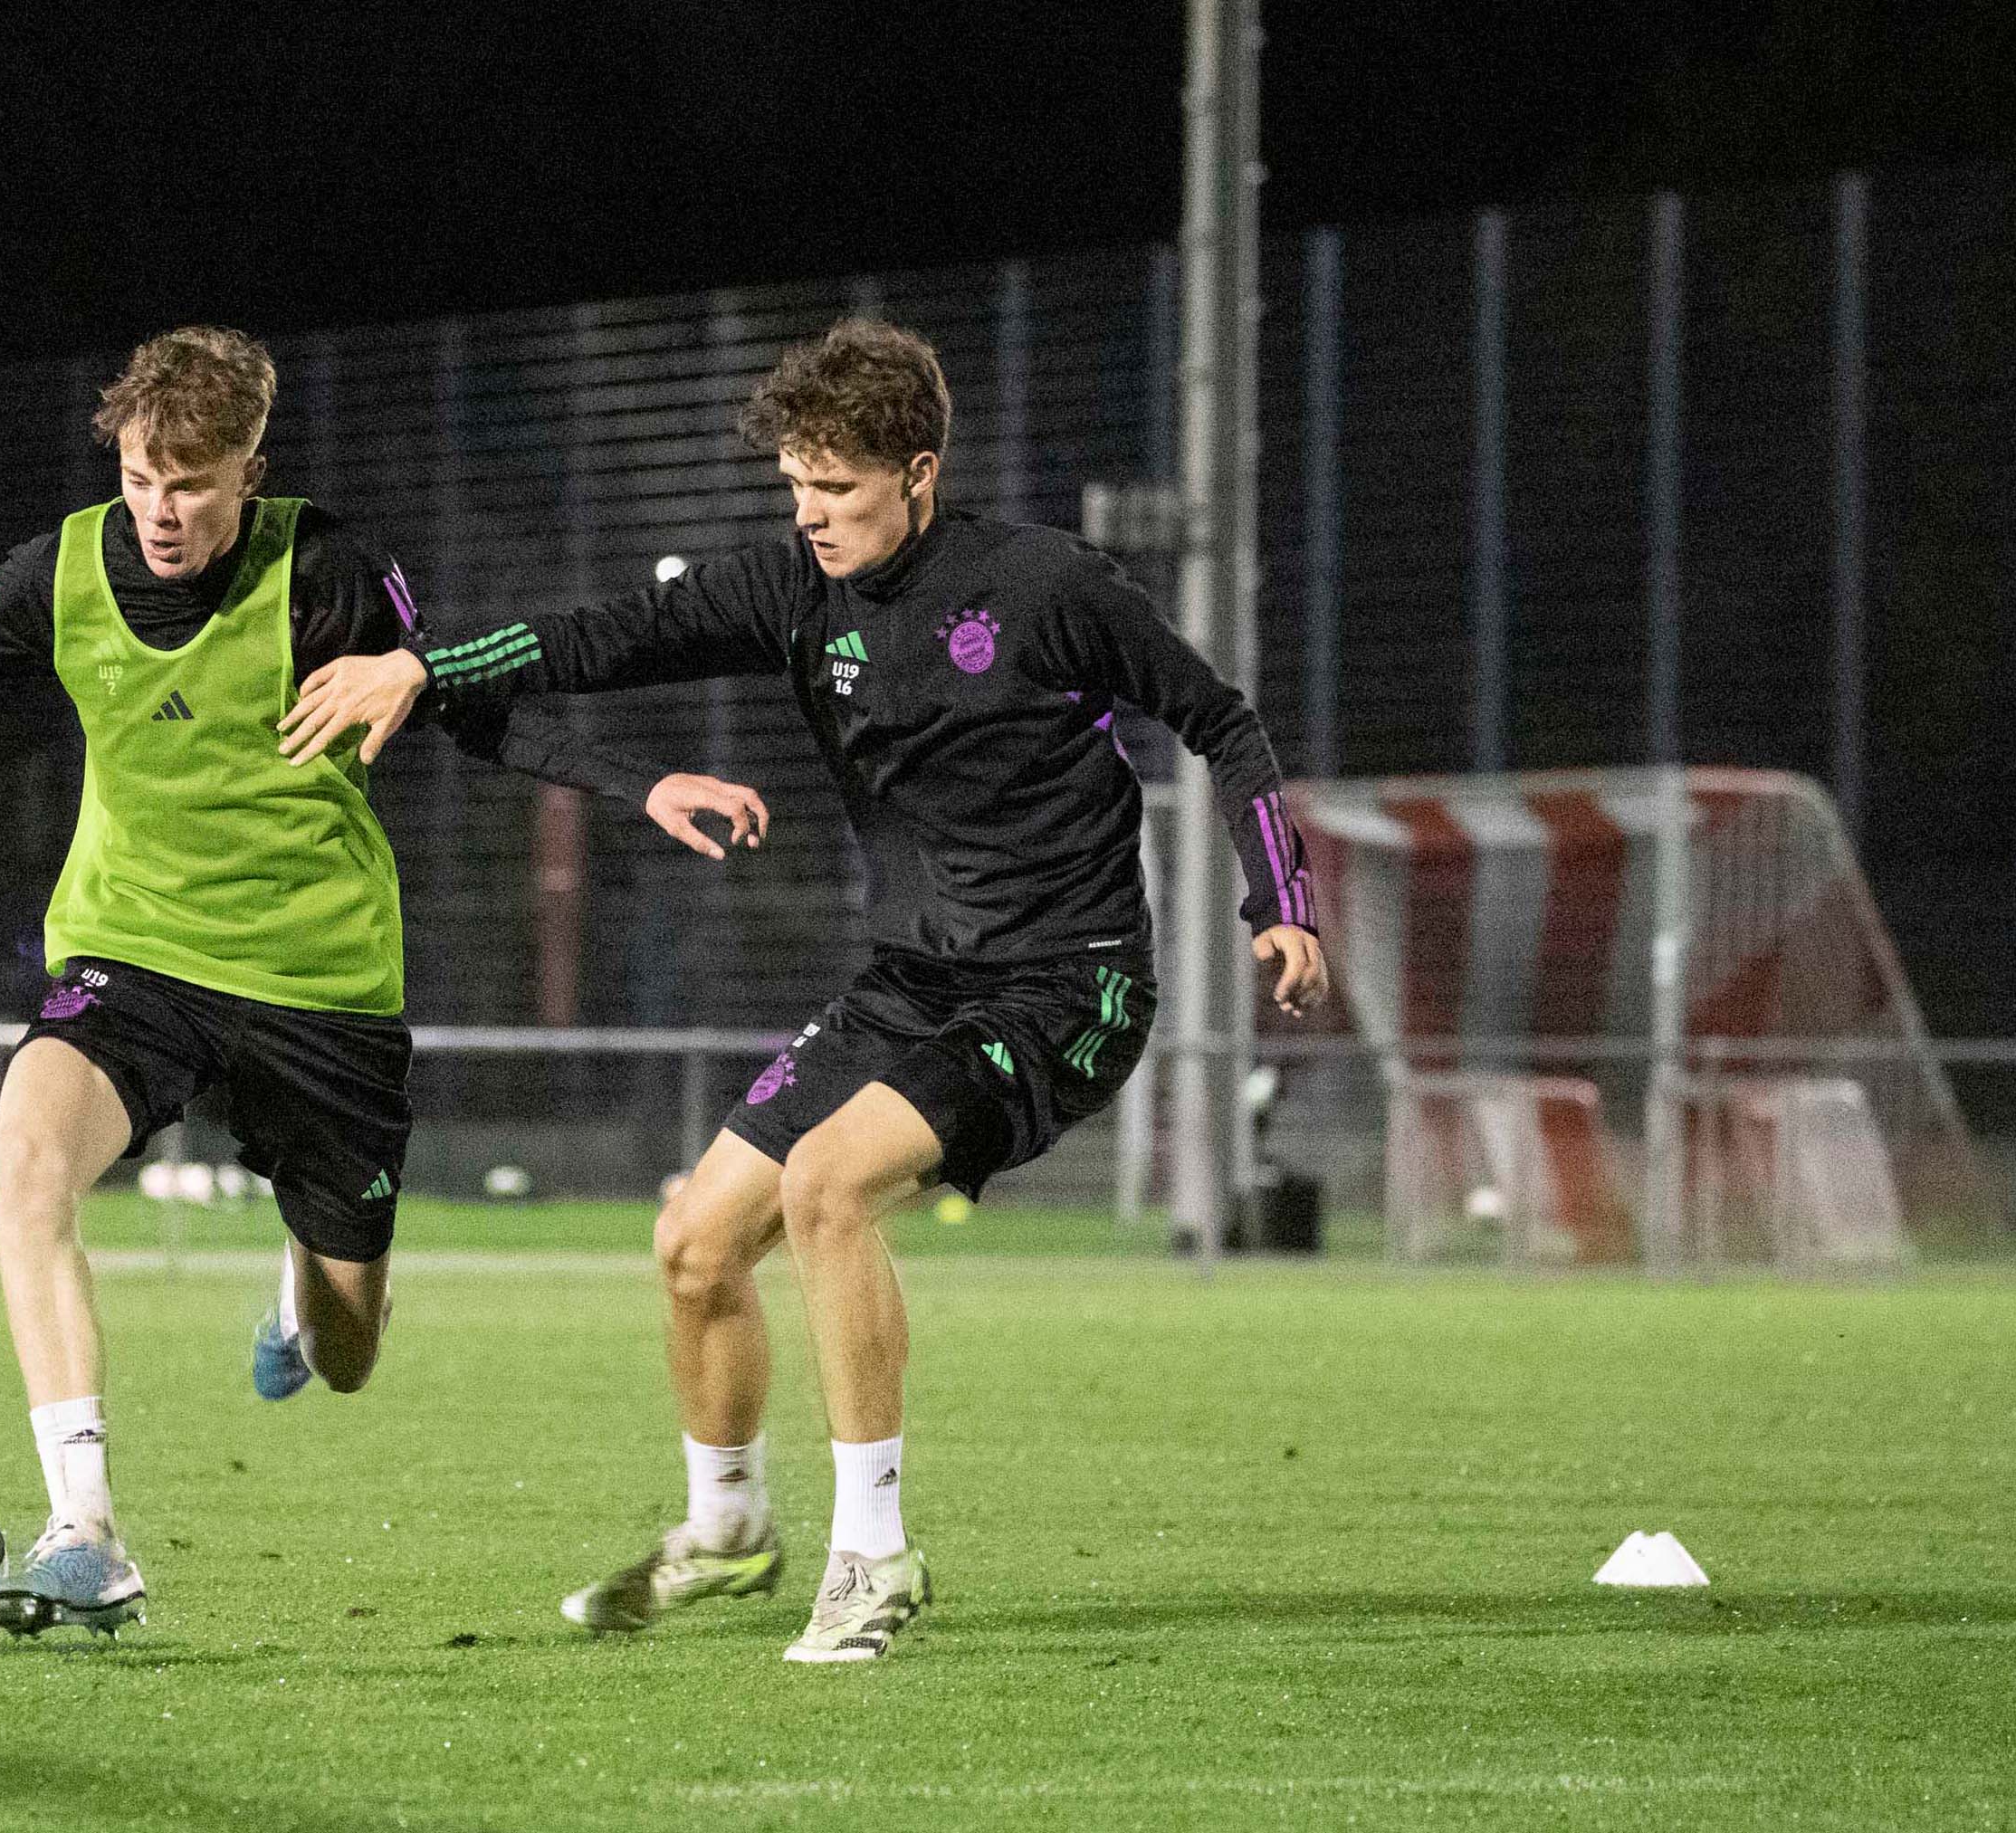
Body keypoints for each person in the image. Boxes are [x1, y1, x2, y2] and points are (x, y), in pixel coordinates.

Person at [278, 317, 1331, 1663]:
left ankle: (873, 1557)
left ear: (920, 471)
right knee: (693, 1241)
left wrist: (1279, 900)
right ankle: (726, 1531)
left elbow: (1219, 720)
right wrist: (421, 664)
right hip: (911, 983)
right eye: (794, 486)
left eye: (836, 488)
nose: (811, 514)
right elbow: (601, 636)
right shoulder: (793, 592)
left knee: (828, 1184)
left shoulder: (1048, 585)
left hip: (1066, 988)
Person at [0, 326, 765, 1637]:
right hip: (131, 952)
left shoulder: (328, 571)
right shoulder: (59, 571)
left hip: (320, 984)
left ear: (251, 469)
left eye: (193, 481)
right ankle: (83, 1526)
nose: (161, 507)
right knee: (24, 1157)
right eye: (143, 474)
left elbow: (453, 706)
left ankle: (301, 1277)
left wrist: (637, 780)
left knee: (348, 1351)